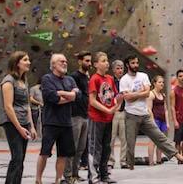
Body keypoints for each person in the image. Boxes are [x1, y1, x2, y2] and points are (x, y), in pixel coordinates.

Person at [119, 54, 183, 170]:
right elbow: (127, 98)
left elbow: (146, 93)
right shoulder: (124, 80)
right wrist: (141, 92)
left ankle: (179, 157)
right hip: (131, 115)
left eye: (136, 63)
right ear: (127, 65)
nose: (135, 65)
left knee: (159, 137)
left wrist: (134, 94)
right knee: (130, 142)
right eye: (133, 63)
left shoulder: (143, 76)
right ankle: (130, 165)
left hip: (144, 115)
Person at [36, 54, 79, 184]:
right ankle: (38, 179)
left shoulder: (70, 80)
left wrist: (63, 93)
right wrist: (70, 96)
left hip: (66, 122)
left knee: (63, 154)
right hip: (51, 122)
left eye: (66, 61)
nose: (65, 63)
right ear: (53, 64)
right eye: (61, 61)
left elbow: (78, 95)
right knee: (45, 152)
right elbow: (52, 98)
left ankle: (58, 180)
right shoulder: (47, 79)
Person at [0, 51, 37, 184]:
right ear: (17, 63)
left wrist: (31, 126)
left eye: (29, 59)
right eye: (25, 60)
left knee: (21, 159)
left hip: (23, 123)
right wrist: (19, 128)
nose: (29, 62)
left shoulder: (23, 81)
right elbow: (8, 107)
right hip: (12, 123)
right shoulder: (8, 81)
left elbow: (27, 105)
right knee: (17, 157)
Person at [87, 52, 123, 184]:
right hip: (96, 118)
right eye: (103, 61)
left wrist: (118, 102)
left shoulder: (110, 79)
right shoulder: (94, 79)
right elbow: (92, 101)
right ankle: (93, 176)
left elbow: (113, 96)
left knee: (106, 147)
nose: (106, 63)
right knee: (95, 147)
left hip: (108, 118)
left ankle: (104, 174)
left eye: (107, 60)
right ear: (96, 64)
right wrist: (107, 109)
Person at [64, 51, 92, 183]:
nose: (89, 63)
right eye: (86, 61)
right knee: (72, 147)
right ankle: (68, 175)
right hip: (75, 115)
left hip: (85, 115)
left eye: (90, 61)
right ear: (80, 61)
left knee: (81, 148)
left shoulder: (87, 77)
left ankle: (75, 173)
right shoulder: (74, 76)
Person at [108, 60, 127, 169]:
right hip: (113, 112)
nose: (120, 70)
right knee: (111, 138)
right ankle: (110, 161)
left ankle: (123, 160)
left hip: (124, 112)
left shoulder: (126, 80)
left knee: (124, 138)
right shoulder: (110, 80)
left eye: (121, 68)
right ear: (113, 69)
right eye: (118, 68)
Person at [147, 75, 169, 165]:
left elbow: (166, 110)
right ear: (154, 83)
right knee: (153, 141)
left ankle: (159, 159)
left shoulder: (163, 95)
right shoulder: (151, 94)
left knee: (161, 141)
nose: (162, 84)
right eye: (159, 82)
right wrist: (152, 122)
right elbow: (149, 109)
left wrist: (167, 123)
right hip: (155, 120)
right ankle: (151, 161)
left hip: (163, 120)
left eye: (163, 82)